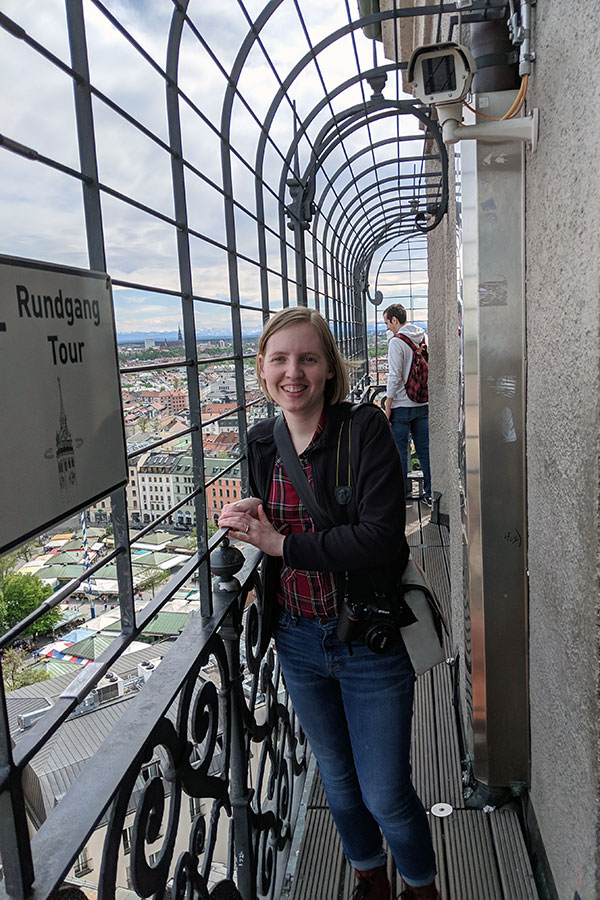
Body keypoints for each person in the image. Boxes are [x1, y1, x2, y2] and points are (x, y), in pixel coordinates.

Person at [218, 306, 440, 900]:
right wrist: (250, 516)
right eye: (280, 359)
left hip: (368, 633)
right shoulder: (263, 440)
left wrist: (278, 543)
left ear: (328, 370)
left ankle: (422, 886)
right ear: (262, 368)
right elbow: (276, 516)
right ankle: (370, 875)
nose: (294, 372)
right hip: (295, 635)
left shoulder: (363, 429)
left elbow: (380, 537)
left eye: (308, 358)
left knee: (386, 792)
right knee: (338, 784)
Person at [382, 304, 432, 506]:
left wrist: (388, 403)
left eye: (387, 323)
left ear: (395, 320)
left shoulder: (397, 343)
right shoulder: (422, 337)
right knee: (425, 450)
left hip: (401, 406)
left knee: (400, 454)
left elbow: (394, 376)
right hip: (422, 402)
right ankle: (430, 494)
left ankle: (401, 498)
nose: (387, 329)